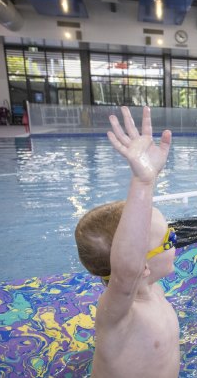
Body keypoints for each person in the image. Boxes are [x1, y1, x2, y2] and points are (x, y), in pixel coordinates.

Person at [75, 107, 179, 378]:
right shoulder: (118, 315)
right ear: (140, 266)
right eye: (170, 239)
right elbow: (125, 271)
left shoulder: (154, 291)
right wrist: (143, 182)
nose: (176, 242)